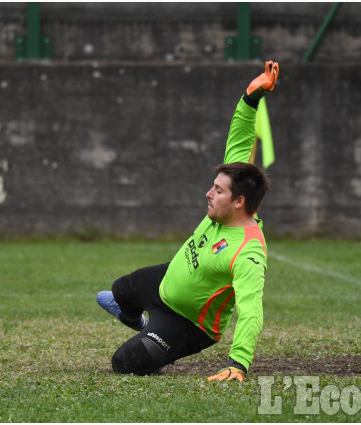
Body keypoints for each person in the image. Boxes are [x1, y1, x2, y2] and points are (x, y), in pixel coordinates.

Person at [96, 61, 279, 382]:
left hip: (189, 324)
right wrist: (250, 98)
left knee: (125, 363)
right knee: (120, 290)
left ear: (239, 202)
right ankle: (136, 318)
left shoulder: (249, 253)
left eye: (218, 191)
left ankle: (154, 338)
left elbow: (251, 310)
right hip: (167, 282)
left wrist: (238, 363)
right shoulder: (225, 208)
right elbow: (240, 137)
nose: (209, 194)